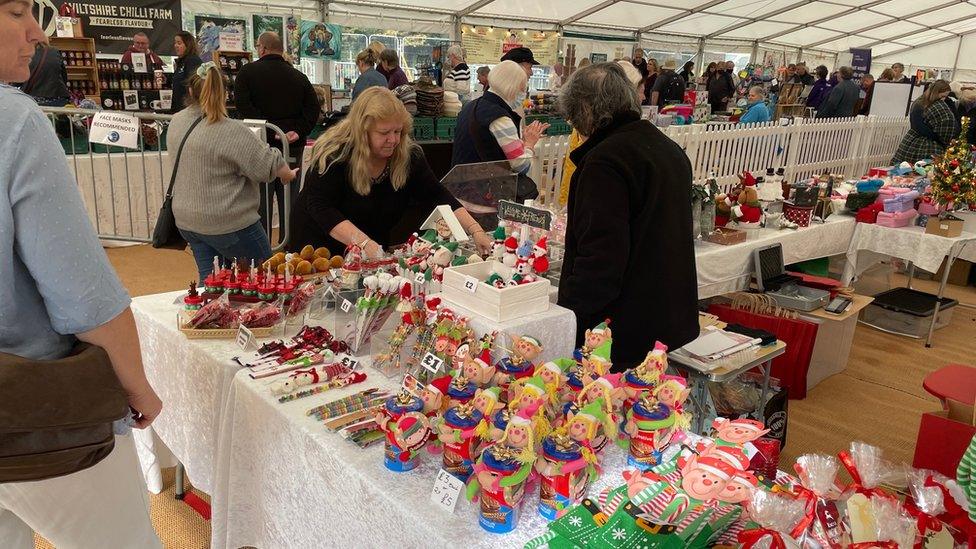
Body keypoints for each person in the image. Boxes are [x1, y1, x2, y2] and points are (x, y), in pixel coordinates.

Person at [0, 2, 162, 546]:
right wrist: (137, 387)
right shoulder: (16, 124)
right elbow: (84, 295)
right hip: (33, 408)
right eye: (15, 10)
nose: (35, 32)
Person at [557, 62, 698, 369]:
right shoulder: (666, 147)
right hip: (665, 316)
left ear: (585, 108)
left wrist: (571, 321)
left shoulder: (604, 162)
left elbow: (600, 259)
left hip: (622, 330)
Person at [288, 87, 492, 257]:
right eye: (384, 133)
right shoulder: (334, 155)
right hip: (319, 246)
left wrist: (475, 230)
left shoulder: (408, 155)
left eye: (398, 131)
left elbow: (438, 195)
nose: (393, 140)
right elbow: (320, 207)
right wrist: (365, 244)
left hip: (372, 245)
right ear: (362, 130)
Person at [172, 63, 297, 280]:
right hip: (228, 222)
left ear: (190, 91)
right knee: (265, 277)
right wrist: (288, 175)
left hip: (188, 220)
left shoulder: (176, 121)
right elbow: (268, 163)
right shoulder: (232, 130)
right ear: (224, 93)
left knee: (211, 282)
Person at [235, 31, 320, 246]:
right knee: (289, 200)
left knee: (261, 201)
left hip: (259, 146)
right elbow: (313, 109)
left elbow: (243, 107)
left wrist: (268, 129)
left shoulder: (246, 73)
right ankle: (289, 245)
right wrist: (297, 131)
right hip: (291, 147)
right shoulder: (299, 77)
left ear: (262, 48)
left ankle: (261, 248)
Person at [452, 60, 548, 179]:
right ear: (512, 87)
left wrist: (520, 141)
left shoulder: (471, 106)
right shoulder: (500, 118)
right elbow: (520, 166)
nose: (523, 94)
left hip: (461, 184)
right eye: (522, 89)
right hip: (485, 190)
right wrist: (529, 144)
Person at [891, 80, 956, 165]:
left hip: (912, 141)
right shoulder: (928, 106)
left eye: (946, 97)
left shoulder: (919, 103)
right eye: (943, 96)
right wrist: (939, 139)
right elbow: (919, 127)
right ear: (936, 92)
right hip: (926, 145)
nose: (943, 99)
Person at [170, 31, 202, 113]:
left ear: (188, 45)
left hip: (189, 109)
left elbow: (195, 85)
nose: (176, 46)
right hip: (179, 109)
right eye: (175, 43)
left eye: (179, 43)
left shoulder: (193, 60)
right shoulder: (181, 62)